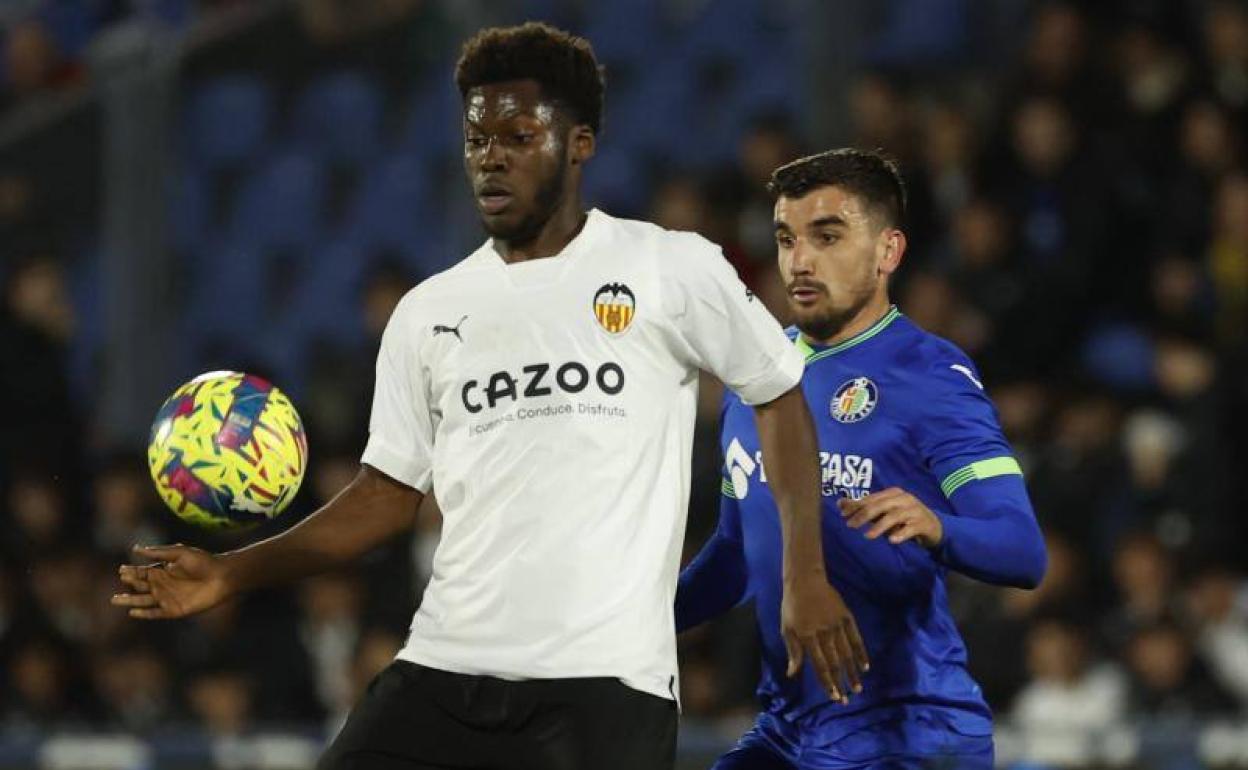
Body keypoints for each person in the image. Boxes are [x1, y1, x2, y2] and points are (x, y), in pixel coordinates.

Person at [111, 23, 867, 770]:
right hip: (442, 670)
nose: (490, 159)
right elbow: (384, 498)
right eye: (477, 141)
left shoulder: (667, 268)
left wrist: (803, 574)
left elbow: (779, 394)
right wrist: (231, 571)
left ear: (579, 144)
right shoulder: (429, 311)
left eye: (516, 136)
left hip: (603, 689)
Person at [675, 148, 1048, 769]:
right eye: (786, 238)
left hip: (910, 734)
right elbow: (738, 554)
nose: (800, 259)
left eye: (827, 236)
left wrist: (939, 526)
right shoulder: (756, 380)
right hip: (788, 732)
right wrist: (633, 625)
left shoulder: (931, 376)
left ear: (888, 252)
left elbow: (1023, 549)